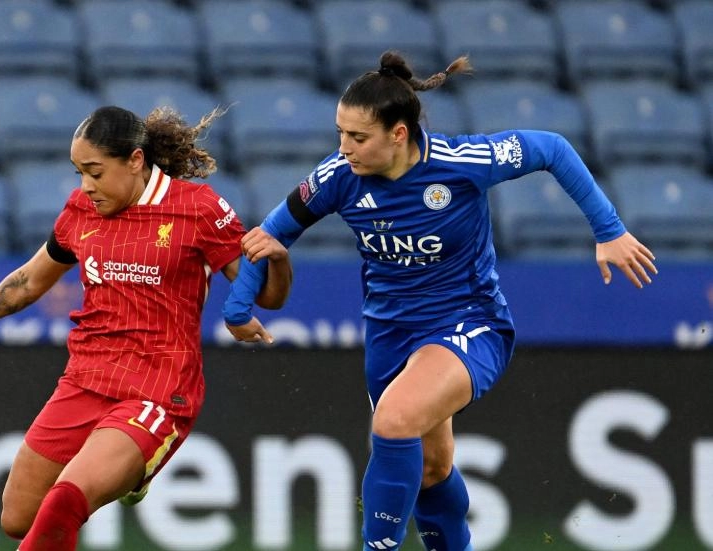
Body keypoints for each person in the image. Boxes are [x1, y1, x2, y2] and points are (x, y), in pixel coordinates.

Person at [223, 51, 658, 551]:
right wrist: (237, 310)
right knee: (431, 469)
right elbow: (268, 236)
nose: (344, 148)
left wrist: (609, 230)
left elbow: (553, 149)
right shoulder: (337, 178)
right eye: (340, 134)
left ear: (399, 134)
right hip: (389, 336)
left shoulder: (460, 163)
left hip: (469, 323)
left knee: (393, 421)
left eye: (358, 137)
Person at [0, 105, 291, 551]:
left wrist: (277, 260)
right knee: (18, 517)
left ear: (136, 161)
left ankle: (136, 461)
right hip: (86, 379)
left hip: (158, 388)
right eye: (79, 172)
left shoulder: (198, 208)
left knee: (64, 504)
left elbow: (267, 296)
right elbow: (30, 279)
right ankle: (130, 477)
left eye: (95, 172)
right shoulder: (81, 210)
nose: (86, 185)